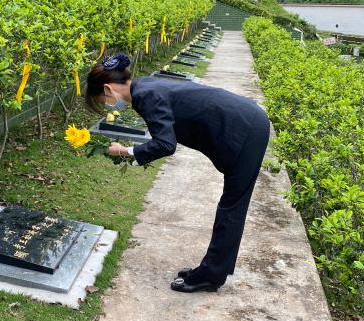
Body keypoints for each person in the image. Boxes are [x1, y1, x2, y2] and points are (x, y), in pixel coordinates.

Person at [86, 54, 271, 293]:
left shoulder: (144, 95)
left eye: (103, 100)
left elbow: (166, 144)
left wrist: (126, 151)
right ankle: (213, 270)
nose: (107, 105)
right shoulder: (144, 86)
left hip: (245, 128)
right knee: (231, 206)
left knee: (232, 208)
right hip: (246, 120)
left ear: (108, 89)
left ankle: (210, 275)